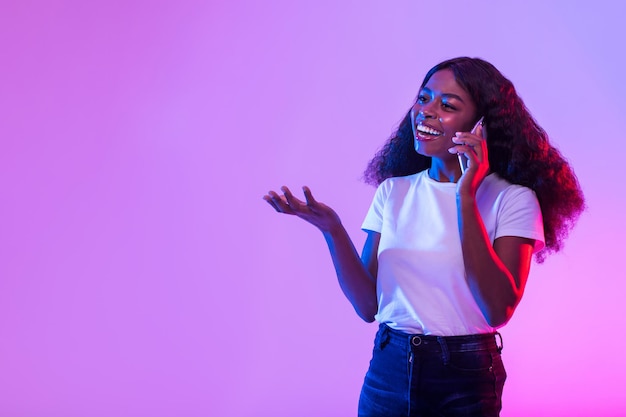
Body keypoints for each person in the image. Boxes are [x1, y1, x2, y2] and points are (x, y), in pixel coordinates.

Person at [263, 57, 585, 417]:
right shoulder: (393, 192)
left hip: (466, 376)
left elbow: (498, 308)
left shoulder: (513, 199)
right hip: (390, 367)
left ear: (482, 125)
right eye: (423, 98)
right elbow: (368, 307)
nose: (426, 112)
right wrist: (332, 229)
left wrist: (465, 195)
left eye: (447, 105)